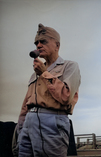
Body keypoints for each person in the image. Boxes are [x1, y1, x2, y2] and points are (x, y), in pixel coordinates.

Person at [12, 23, 81, 157]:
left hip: (52, 122)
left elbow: (66, 97)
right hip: (28, 125)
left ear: (57, 45)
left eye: (43, 41)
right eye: (36, 43)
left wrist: (44, 74)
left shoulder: (69, 66)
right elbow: (25, 106)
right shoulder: (34, 74)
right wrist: (19, 133)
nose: (38, 46)